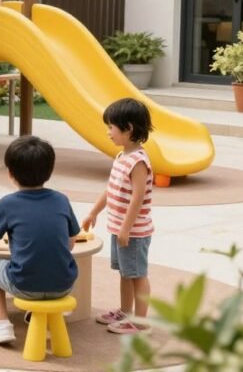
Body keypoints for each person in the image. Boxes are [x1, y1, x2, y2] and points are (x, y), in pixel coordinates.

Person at [0, 136, 80, 344]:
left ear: (10, 173)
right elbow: (70, 244)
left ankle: (1, 325)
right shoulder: (61, 200)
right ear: (49, 172)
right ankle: (36, 313)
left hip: (25, 285)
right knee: (50, 264)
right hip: (64, 285)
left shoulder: (8, 203)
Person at [82, 98, 155, 334]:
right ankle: (126, 312)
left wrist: (126, 228)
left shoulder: (139, 161)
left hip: (133, 231)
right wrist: (94, 211)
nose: (108, 132)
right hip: (119, 228)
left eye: (111, 127)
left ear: (129, 128)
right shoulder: (122, 157)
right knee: (126, 273)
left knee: (137, 275)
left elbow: (138, 197)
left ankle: (141, 322)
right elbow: (110, 188)